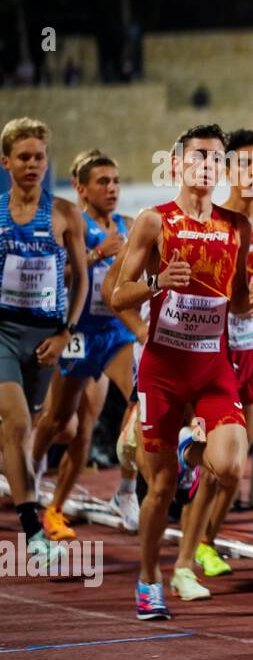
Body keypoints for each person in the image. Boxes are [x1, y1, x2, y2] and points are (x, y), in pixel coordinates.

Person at [111, 123, 253, 619]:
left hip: (212, 367)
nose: (207, 165)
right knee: (159, 488)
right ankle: (149, 579)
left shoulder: (235, 227)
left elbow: (240, 304)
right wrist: (157, 281)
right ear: (177, 163)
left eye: (216, 158)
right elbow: (117, 295)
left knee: (230, 465)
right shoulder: (154, 222)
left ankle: (188, 446)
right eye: (198, 156)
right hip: (162, 368)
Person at [30, 150, 140, 539]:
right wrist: (95, 256)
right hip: (78, 334)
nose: (112, 189)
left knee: (140, 400)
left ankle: (123, 491)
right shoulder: (69, 224)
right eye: (102, 182)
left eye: (115, 181)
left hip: (117, 333)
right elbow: (52, 279)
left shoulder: (128, 226)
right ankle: (33, 466)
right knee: (64, 424)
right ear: (80, 188)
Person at [0, 117, 87, 570]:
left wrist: (65, 332)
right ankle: (32, 528)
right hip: (2, 331)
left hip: (46, 337)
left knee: (26, 429)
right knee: (15, 422)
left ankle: (15, 485)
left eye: (39, 157)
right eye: (23, 157)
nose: (32, 164)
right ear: (6, 161)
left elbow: (82, 280)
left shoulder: (65, 214)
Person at [190, 129, 253, 579]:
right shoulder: (214, 221)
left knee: (238, 464)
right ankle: (190, 542)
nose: (251, 173)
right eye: (242, 165)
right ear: (226, 172)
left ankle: (206, 543)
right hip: (212, 351)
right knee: (215, 459)